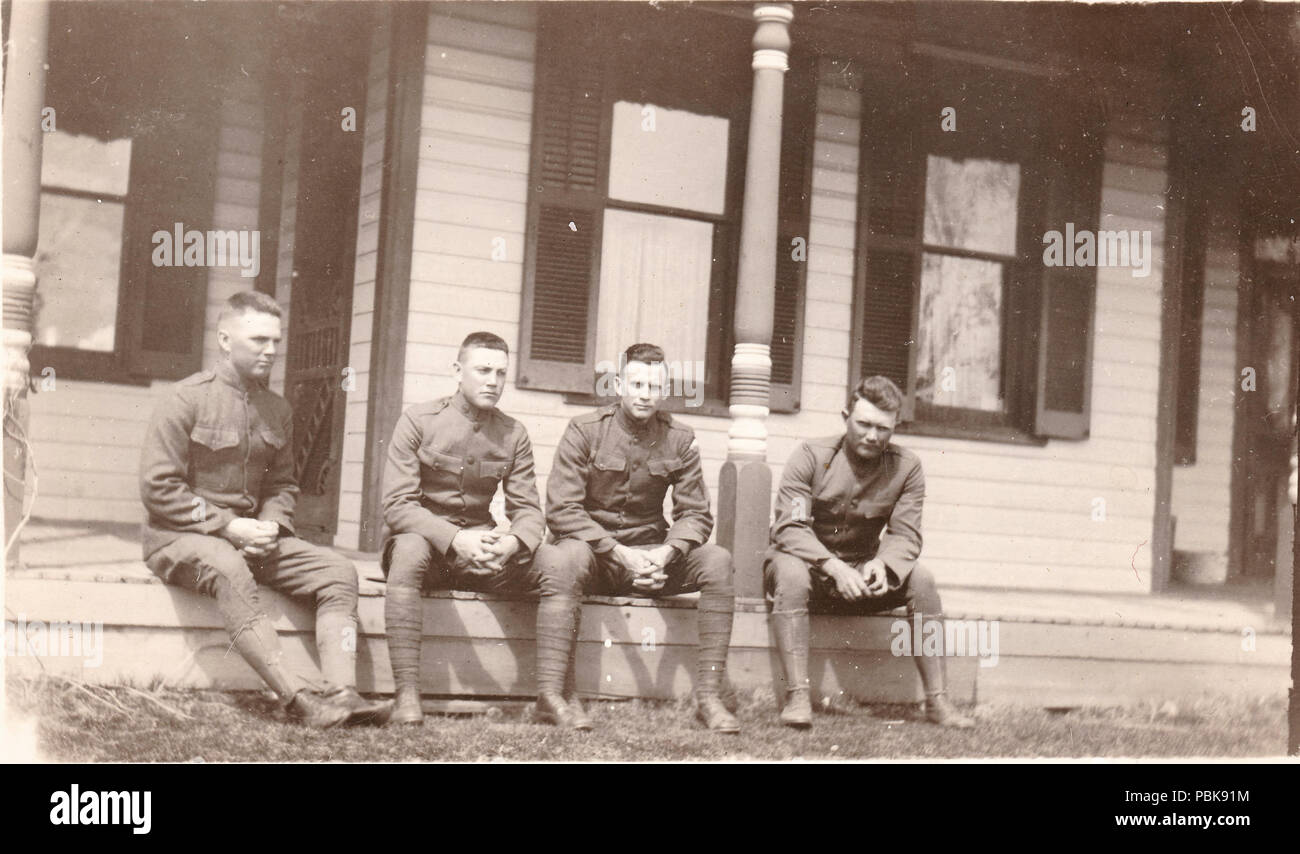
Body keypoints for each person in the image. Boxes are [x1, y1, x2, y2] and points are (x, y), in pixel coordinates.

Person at [140, 291, 391, 728]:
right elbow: (159, 489)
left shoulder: (277, 409)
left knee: (338, 571)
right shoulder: (185, 399)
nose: (271, 350)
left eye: (275, 341)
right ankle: (298, 700)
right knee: (227, 567)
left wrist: (272, 525)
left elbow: (282, 484)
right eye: (258, 340)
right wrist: (229, 527)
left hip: (252, 540)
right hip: (180, 539)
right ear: (224, 339)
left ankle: (342, 691)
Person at [534, 343, 739, 733]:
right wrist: (619, 554)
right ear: (618, 384)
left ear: (664, 391)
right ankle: (556, 694)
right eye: (637, 383)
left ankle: (709, 696)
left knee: (717, 561)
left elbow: (695, 513)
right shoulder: (585, 430)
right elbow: (562, 509)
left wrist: (665, 553)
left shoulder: (679, 438)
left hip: (649, 557)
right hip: (593, 556)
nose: (645, 393)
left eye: (654, 385)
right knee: (569, 557)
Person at [765, 375, 975, 729]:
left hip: (862, 571)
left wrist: (884, 564)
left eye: (883, 428)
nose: (873, 436)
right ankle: (798, 696)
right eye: (864, 424)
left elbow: (906, 533)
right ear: (845, 415)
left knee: (921, 580)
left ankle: (937, 701)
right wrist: (832, 567)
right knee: (790, 572)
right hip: (808, 568)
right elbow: (790, 527)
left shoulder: (907, 467)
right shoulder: (810, 457)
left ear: (895, 427)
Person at [380, 331, 545, 725]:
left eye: (501, 373)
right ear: (458, 371)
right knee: (408, 550)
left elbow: (530, 511)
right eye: (483, 370)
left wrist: (513, 543)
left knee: (555, 565)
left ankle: (554, 696)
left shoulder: (512, 433)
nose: (493, 381)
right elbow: (397, 505)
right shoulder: (419, 420)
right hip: (428, 551)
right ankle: (406, 695)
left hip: (484, 555)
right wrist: (454, 539)